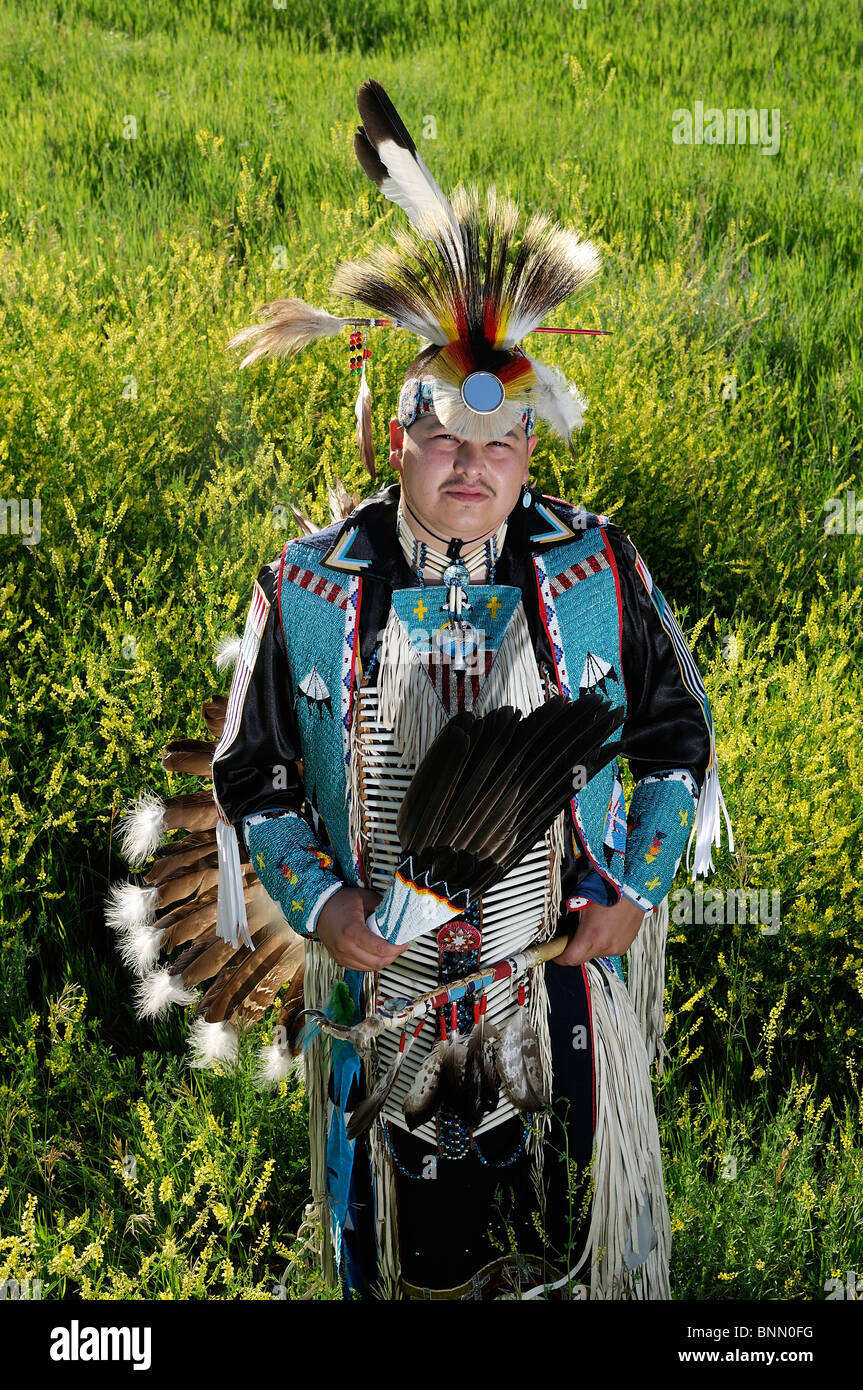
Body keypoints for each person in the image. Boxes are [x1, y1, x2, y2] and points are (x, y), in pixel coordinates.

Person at [111, 79, 731, 1301]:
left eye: (498, 446)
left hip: (556, 949)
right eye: (445, 437)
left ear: (529, 453)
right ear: (395, 437)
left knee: (550, 1213)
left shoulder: (594, 566)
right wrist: (323, 903)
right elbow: (254, 774)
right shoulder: (311, 587)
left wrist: (624, 888)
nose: (470, 465)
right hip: (375, 953)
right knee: (398, 1230)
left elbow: (674, 739)